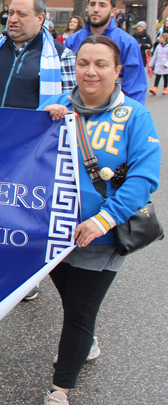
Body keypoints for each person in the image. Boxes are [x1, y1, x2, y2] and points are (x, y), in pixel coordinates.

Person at [39, 34, 160, 405]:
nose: (90, 72)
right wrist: (42, 122)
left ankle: (60, 390)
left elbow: (144, 177)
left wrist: (104, 220)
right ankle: (86, 341)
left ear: (118, 71)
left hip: (101, 238)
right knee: (70, 298)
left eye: (101, 64)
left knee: (78, 312)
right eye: (83, 63)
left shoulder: (135, 116)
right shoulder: (58, 105)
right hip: (55, 234)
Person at [0, 0, 76, 301]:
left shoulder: (62, 57)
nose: (12, 19)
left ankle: (24, 276)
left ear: (41, 18)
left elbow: (72, 101)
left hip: (28, 158)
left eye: (21, 14)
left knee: (19, 219)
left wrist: (64, 111)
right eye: (10, 12)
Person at [65, 0, 147, 105]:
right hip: (77, 110)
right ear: (87, 7)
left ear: (113, 11)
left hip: (114, 112)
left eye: (102, 5)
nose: (96, 9)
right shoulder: (72, 41)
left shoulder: (128, 43)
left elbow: (135, 87)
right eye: (92, 4)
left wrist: (128, 115)